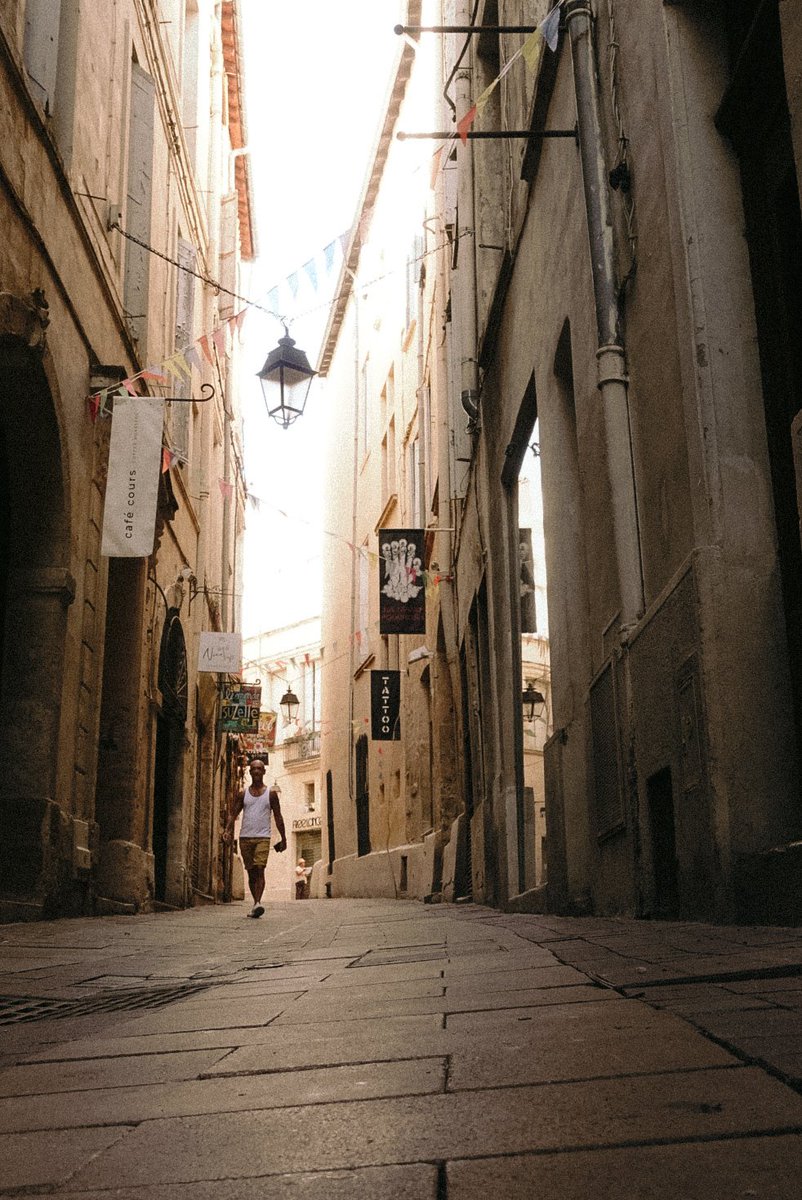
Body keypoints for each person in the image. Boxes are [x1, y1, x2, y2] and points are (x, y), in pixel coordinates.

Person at [224, 759, 286, 917]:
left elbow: (278, 816)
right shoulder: (243, 794)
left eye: (259, 769)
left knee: (260, 869)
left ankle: (258, 902)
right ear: (250, 772)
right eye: (254, 769)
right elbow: (234, 813)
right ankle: (255, 903)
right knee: (251, 871)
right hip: (245, 838)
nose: (257, 771)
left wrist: (283, 838)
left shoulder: (270, 794)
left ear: (264, 772)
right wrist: (227, 830)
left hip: (263, 837)